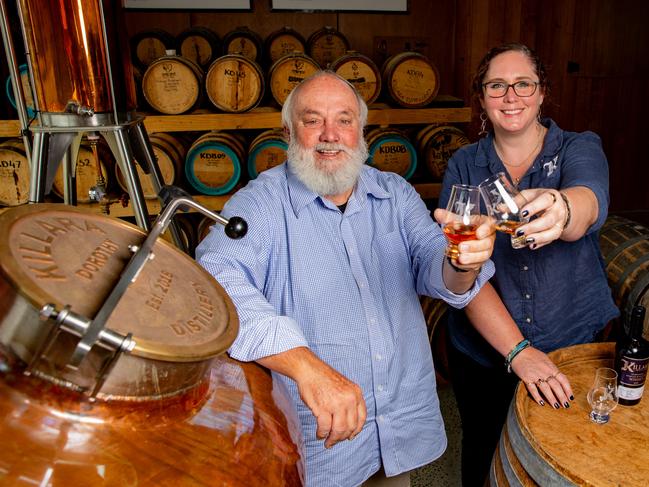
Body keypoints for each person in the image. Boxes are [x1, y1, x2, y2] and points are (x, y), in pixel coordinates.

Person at [196, 71, 497, 487]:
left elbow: (437, 270)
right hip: (319, 439)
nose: (330, 134)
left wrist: (463, 263)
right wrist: (306, 367)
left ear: (361, 130)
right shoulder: (260, 203)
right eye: (312, 120)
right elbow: (214, 279)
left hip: (397, 422)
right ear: (288, 131)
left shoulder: (395, 192)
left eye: (344, 119)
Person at [439, 43, 620, 487]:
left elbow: (588, 201)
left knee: (566, 454)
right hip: (485, 351)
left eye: (523, 84)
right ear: (482, 98)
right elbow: (466, 273)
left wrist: (562, 207)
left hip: (571, 342)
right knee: (482, 452)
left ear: (542, 93)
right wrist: (518, 351)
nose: (511, 95)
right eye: (497, 86)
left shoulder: (579, 147)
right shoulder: (465, 164)